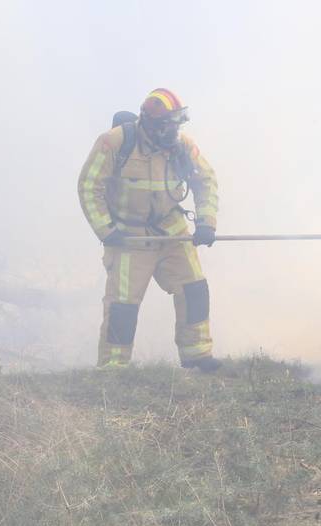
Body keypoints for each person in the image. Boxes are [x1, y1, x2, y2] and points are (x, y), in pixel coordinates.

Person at [77, 88, 221, 371]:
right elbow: (88, 186)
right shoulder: (115, 143)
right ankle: (114, 368)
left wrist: (206, 222)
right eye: (169, 124)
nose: (174, 131)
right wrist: (106, 230)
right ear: (152, 123)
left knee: (193, 288)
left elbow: (206, 180)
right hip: (130, 238)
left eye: (177, 124)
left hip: (172, 232)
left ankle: (197, 355)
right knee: (123, 306)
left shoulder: (182, 145)